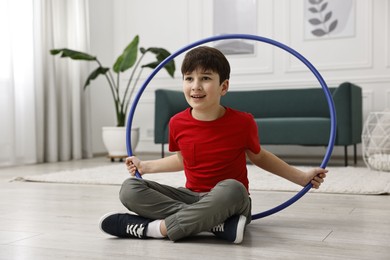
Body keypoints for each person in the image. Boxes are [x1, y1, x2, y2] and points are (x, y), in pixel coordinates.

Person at [99, 46, 327, 244]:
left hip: (228, 201)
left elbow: (260, 157)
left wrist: (300, 177)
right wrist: (146, 166)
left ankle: (156, 229)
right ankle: (213, 225)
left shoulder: (242, 122)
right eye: (189, 78)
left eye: (205, 78)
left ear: (223, 87)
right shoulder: (177, 122)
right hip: (189, 196)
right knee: (130, 188)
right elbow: (182, 158)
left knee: (234, 188)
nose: (195, 86)